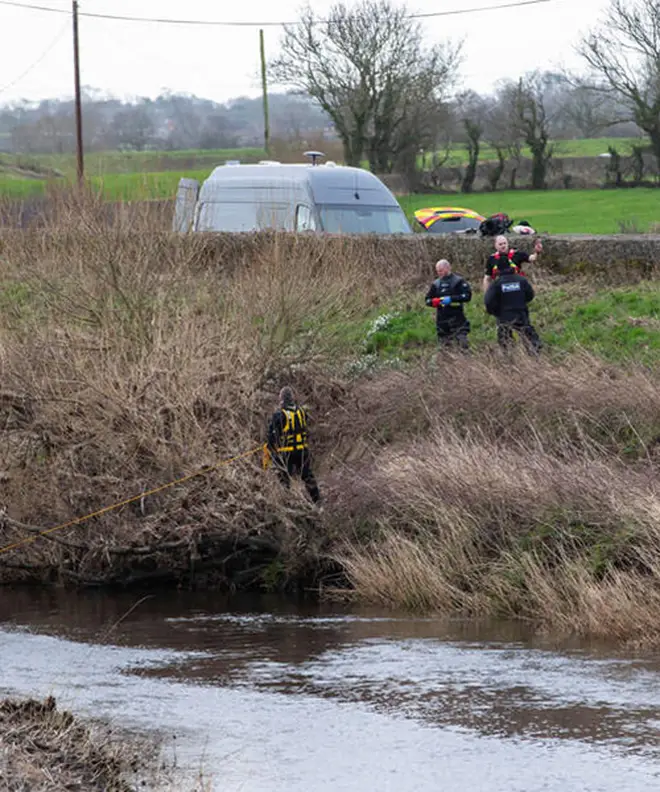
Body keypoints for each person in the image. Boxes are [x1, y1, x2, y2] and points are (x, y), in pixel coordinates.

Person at [266, 387, 321, 504]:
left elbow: (271, 437)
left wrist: (272, 451)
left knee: (284, 479)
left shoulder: (279, 415)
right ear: (292, 398)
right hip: (302, 451)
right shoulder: (302, 412)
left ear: (281, 399)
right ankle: (317, 502)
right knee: (307, 476)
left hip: (286, 453)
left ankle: (287, 503)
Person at [484, 266, 542, 355]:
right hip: (521, 312)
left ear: (498, 270)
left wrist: (495, 311)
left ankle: (508, 358)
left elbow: (488, 301)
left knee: (505, 337)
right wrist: (521, 303)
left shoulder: (497, 283)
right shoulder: (521, 280)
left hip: (504, 314)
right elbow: (530, 294)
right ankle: (534, 354)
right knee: (527, 333)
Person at [425, 259, 472, 350]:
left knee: (463, 344)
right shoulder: (436, 284)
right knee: (444, 347)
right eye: (437, 271)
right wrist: (434, 302)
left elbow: (467, 296)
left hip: (457, 317)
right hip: (442, 319)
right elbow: (427, 300)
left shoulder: (458, 281)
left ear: (448, 268)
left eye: (441, 270)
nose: (439, 273)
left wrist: (451, 299)